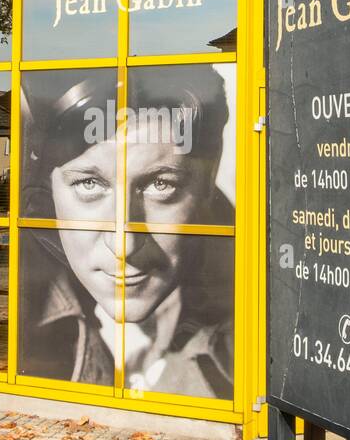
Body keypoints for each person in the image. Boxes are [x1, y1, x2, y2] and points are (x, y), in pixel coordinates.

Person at [17, 66, 235, 399]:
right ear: (48, 194)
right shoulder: (21, 313)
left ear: (207, 184)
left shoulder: (254, 319)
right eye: (89, 183)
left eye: (161, 185)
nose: (124, 244)